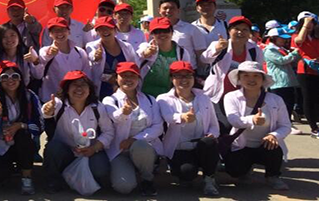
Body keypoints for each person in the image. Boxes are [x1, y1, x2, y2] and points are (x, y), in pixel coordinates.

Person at [222, 61, 291, 191]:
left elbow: (286, 125)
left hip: (265, 145)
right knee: (235, 171)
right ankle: (245, 170)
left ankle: (272, 176)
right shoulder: (231, 97)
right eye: (246, 76)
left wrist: (274, 135)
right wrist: (252, 120)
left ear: (263, 79)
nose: (251, 79)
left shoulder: (276, 100)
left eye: (256, 76)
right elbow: (233, 120)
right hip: (241, 146)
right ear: (239, 78)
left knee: (274, 146)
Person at [41, 70, 113, 194]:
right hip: (66, 152)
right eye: (74, 85)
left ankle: (87, 180)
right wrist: (47, 110)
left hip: (90, 152)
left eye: (83, 85)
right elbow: (46, 112)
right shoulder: (59, 104)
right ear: (67, 89)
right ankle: (54, 180)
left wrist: (94, 148)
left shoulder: (97, 107)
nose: (79, 88)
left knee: (101, 169)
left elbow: (108, 132)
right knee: (53, 149)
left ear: (89, 89)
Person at [157, 61, 220, 196]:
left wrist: (211, 135)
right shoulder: (163, 99)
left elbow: (214, 125)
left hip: (201, 145)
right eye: (179, 76)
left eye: (188, 76)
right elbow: (168, 116)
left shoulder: (204, 97)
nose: (184, 80)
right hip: (179, 148)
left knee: (210, 143)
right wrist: (182, 117)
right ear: (171, 79)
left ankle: (209, 179)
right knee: (186, 173)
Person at [103, 62, 163, 196]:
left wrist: (134, 139)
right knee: (124, 187)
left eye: (132, 76)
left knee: (140, 145)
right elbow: (114, 117)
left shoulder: (150, 100)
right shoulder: (109, 100)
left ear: (138, 79)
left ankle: (147, 179)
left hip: (144, 148)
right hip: (120, 151)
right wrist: (123, 113)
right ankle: (131, 169)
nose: (128, 79)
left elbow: (158, 127)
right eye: (124, 75)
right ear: (116, 78)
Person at [0, 61, 43, 194]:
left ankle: (26, 177)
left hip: (22, 142)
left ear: (21, 79)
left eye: (15, 76)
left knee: (23, 136)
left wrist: (21, 125)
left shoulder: (29, 96)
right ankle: (9, 168)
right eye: (5, 77)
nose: (10, 80)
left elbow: (39, 125)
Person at [202, 16, 264, 131]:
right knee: (223, 126)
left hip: (241, 95)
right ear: (229, 31)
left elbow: (259, 72)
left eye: (245, 29)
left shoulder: (255, 50)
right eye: (237, 29)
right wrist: (217, 49)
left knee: (239, 127)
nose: (240, 32)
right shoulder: (220, 45)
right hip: (218, 94)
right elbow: (204, 59)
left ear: (249, 33)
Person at [137, 17, 192, 97]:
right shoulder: (145, 47)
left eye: (166, 31)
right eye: (157, 32)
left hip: (169, 97)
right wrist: (147, 53)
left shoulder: (182, 52)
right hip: (146, 96)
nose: (162, 34)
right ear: (152, 34)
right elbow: (141, 53)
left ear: (172, 32)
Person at [85, 16, 138, 98]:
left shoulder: (127, 47)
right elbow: (93, 71)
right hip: (101, 92)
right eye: (101, 29)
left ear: (115, 30)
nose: (105, 31)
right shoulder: (92, 46)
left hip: (124, 90)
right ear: (97, 32)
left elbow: (134, 68)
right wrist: (96, 57)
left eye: (108, 28)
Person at [39, 17, 90, 102]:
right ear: (50, 34)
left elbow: (87, 76)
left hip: (75, 100)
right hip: (51, 99)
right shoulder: (44, 51)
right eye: (55, 30)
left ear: (69, 32)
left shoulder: (80, 52)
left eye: (63, 29)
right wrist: (49, 55)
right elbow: (38, 72)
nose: (60, 33)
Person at [264, 27, 302, 135]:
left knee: (289, 103)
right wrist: (294, 53)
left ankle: (287, 124)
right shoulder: (269, 50)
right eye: (281, 38)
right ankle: (284, 125)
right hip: (278, 82)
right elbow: (281, 61)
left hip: (286, 81)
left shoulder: (281, 49)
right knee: (282, 105)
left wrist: (295, 55)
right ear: (273, 38)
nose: (284, 40)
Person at [158, 0, 207, 70]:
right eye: (165, 8)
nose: (168, 11)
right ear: (159, 11)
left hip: (186, 72)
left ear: (178, 10)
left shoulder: (191, 29)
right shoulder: (155, 31)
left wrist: (202, 71)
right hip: (162, 72)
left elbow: (200, 53)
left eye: (172, 8)